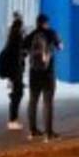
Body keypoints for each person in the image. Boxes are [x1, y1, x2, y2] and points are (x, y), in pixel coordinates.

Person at [23, 13, 63, 141]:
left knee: (33, 101)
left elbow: (23, 51)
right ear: (46, 23)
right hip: (48, 73)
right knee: (48, 103)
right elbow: (60, 47)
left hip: (34, 72)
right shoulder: (51, 33)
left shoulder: (31, 35)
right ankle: (48, 133)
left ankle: (33, 131)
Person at [0, 14, 26, 130]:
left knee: (17, 93)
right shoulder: (17, 39)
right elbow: (20, 55)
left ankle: (13, 118)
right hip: (16, 71)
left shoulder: (11, 38)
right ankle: (13, 120)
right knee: (17, 94)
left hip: (14, 71)